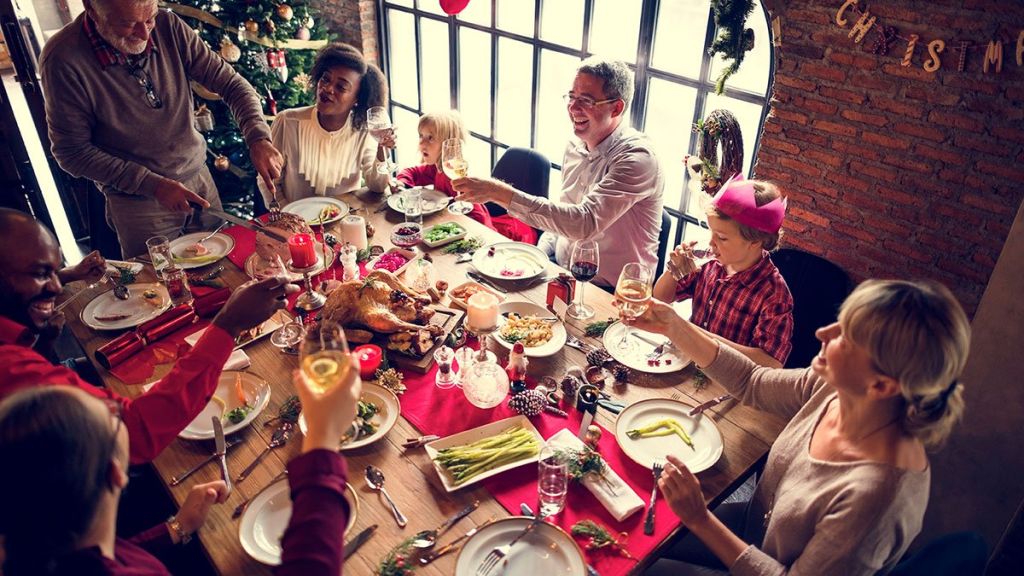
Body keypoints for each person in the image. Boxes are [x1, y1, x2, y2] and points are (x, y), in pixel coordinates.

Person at [626, 279, 970, 575]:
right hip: (752, 528)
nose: (823, 332)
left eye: (845, 338)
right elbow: (752, 381)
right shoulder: (835, 386)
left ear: (882, 386)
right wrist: (675, 326)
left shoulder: (877, 498)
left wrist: (701, 520)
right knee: (633, 534)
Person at [0, 360, 360, 575]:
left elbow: (108, 559)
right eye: (113, 419)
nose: (117, 408)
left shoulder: (41, 552)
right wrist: (323, 439)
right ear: (116, 472)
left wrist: (175, 528)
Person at [0, 208, 296, 464]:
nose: (55, 287)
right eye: (40, 273)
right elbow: (135, 433)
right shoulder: (10, 369)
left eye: (56, 272)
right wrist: (228, 325)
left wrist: (43, 345)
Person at [39, 0, 284, 259]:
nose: (145, 34)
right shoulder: (62, 59)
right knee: (163, 288)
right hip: (138, 204)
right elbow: (71, 152)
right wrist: (153, 185)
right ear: (91, 8)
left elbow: (233, 85)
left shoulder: (169, 26)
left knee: (222, 271)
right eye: (128, 24)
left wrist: (258, 138)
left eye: (149, 19)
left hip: (199, 179)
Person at [453, 57, 664, 288]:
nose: (573, 108)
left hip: (613, 292)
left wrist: (498, 192)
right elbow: (564, 215)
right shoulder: (575, 145)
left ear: (616, 108)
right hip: (563, 271)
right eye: (572, 97)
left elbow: (583, 223)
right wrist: (538, 258)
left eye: (586, 100)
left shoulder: (638, 159)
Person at [652, 174, 793, 368]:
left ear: (755, 241)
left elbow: (771, 363)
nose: (711, 243)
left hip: (728, 383)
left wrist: (699, 337)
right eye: (711, 233)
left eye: (722, 237)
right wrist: (674, 271)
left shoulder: (774, 294)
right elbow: (660, 298)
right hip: (687, 366)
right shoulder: (710, 263)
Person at [258, 42, 394, 206]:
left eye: (341, 87)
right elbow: (267, 181)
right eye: (325, 79)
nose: (328, 88)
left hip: (345, 224)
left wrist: (381, 148)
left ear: (357, 99)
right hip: (296, 225)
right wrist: (287, 215)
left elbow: (377, 186)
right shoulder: (288, 122)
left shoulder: (363, 131)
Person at [395, 110, 494, 230]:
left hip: (471, 229)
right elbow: (413, 172)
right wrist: (402, 183)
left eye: (430, 138)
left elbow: (479, 217)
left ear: (447, 145)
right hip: (446, 222)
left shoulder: (452, 175)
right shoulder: (437, 167)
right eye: (421, 136)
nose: (422, 143)